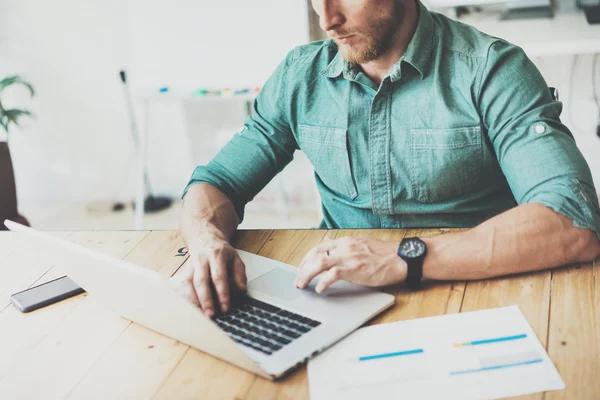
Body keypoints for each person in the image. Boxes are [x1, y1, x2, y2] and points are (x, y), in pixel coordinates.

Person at [173, 0, 600, 317]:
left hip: (475, 294)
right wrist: (205, 238)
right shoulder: (299, 76)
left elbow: (572, 221)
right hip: (336, 295)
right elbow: (217, 183)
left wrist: (403, 257)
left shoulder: (491, 69)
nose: (327, 19)